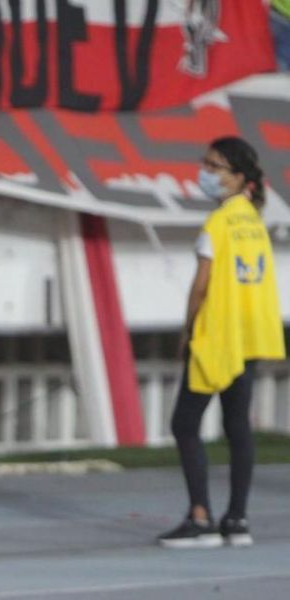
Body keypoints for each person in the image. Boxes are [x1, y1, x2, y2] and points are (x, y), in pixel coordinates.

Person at [158, 136, 285, 549]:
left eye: (214, 168)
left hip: (217, 335)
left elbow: (201, 285)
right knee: (237, 428)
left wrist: (187, 330)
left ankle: (200, 517)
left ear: (238, 177)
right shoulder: (252, 217)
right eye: (206, 164)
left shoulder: (216, 224)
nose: (206, 174)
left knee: (184, 424)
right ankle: (237, 520)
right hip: (249, 335)